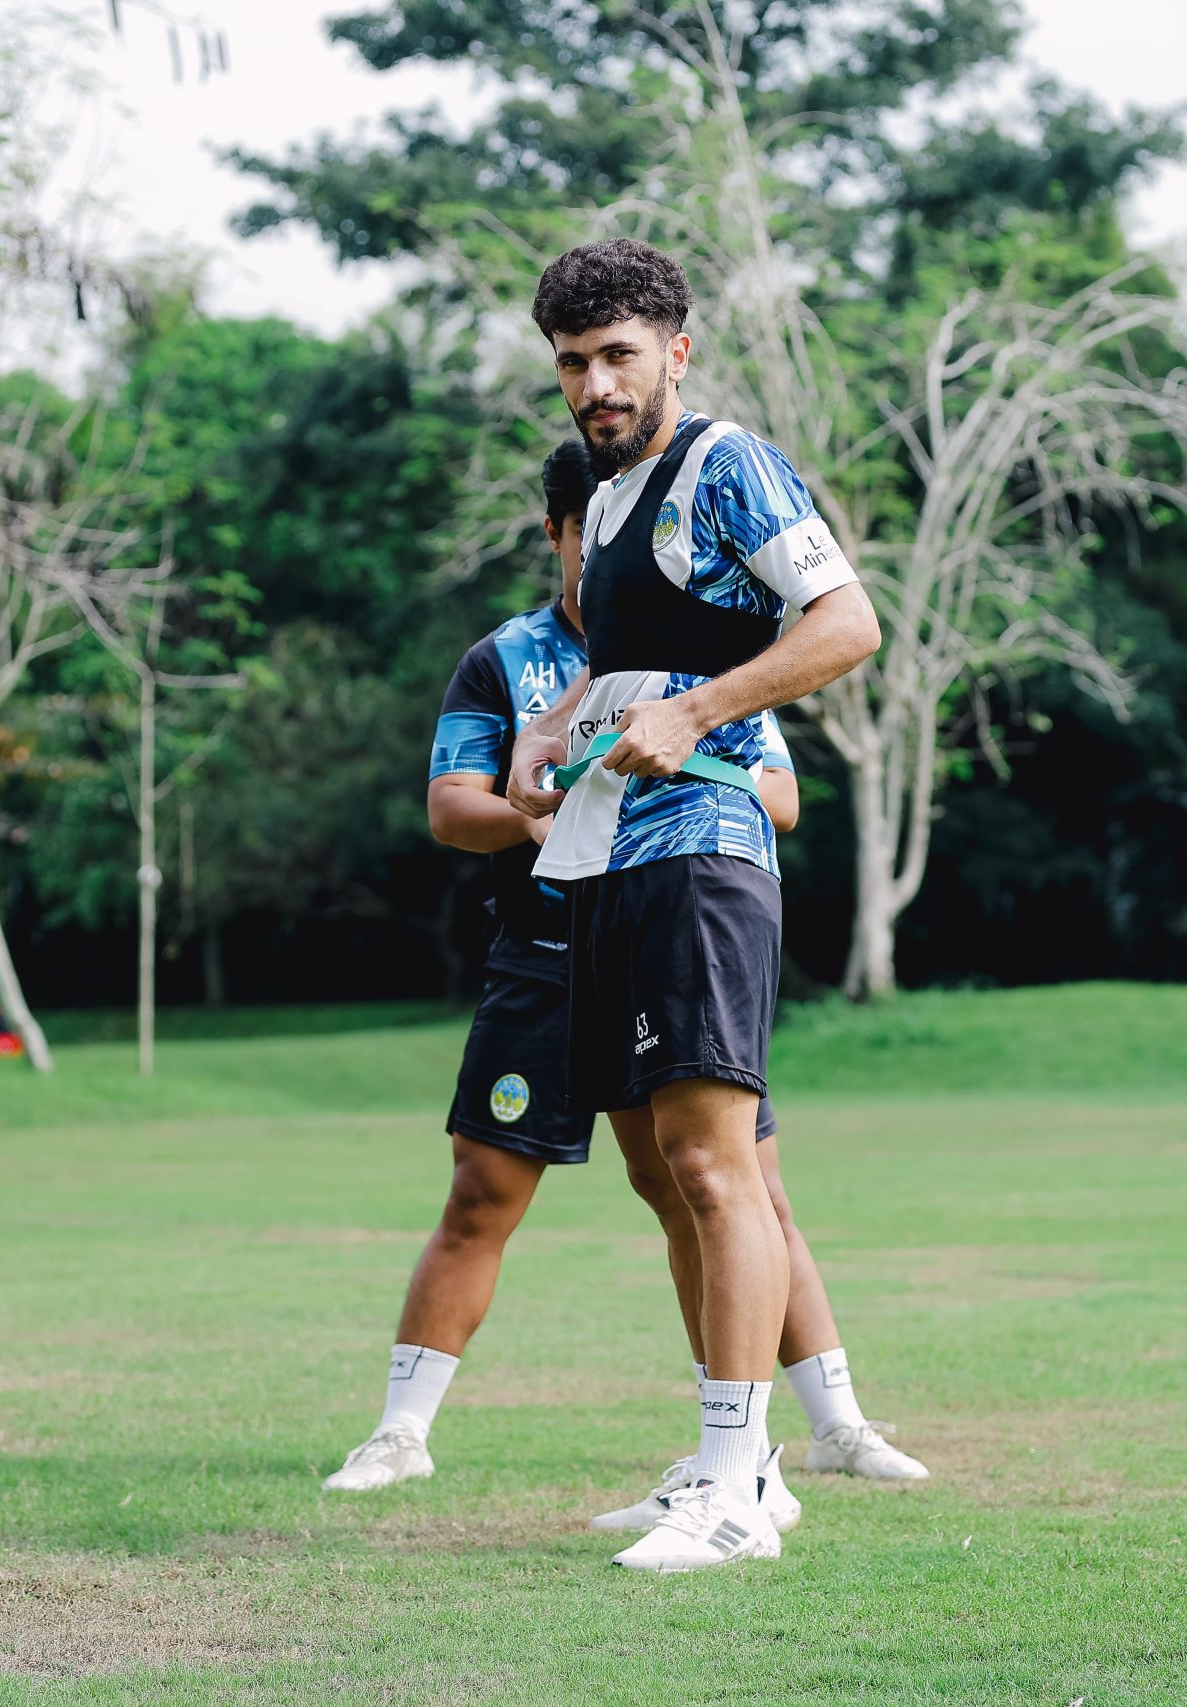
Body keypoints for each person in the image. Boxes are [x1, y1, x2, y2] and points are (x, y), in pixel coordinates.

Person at [324, 439, 926, 1518]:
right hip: (549, 949)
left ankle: (815, 1434)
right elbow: (451, 804)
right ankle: (400, 1433)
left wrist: (671, 746)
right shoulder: (506, 660)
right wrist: (543, 798)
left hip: (678, 912)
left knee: (728, 1186)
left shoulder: (706, 639)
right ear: (564, 533)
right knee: (500, 1191)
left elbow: (780, 790)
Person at [507, 238, 885, 1571]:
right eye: (572, 362)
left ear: (677, 347)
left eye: (618, 355)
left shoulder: (725, 463)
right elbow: (632, 664)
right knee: (661, 1171)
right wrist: (555, 716)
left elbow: (845, 623)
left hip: (708, 850)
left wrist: (704, 705)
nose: (595, 384)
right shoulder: (604, 504)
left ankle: (734, 1487)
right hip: (609, 854)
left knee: (719, 1164)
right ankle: (750, 1462)